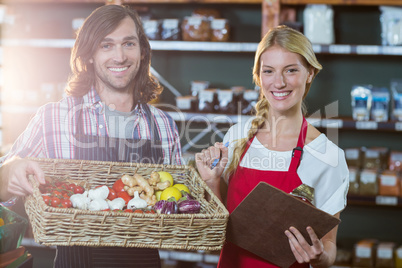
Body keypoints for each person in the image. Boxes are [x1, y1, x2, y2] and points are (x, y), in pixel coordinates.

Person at [0, 4, 182, 268]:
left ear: (142, 52)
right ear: (88, 55)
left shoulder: (164, 125)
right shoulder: (53, 118)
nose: (119, 56)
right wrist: (11, 170)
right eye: (106, 45)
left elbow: (175, 207)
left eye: (128, 44)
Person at [196, 25, 349, 268]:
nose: (279, 83)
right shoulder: (237, 136)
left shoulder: (327, 155)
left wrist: (319, 256)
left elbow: (329, 247)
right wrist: (211, 181)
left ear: (309, 73)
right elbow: (215, 232)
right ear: (258, 76)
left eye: (290, 70)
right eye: (269, 71)